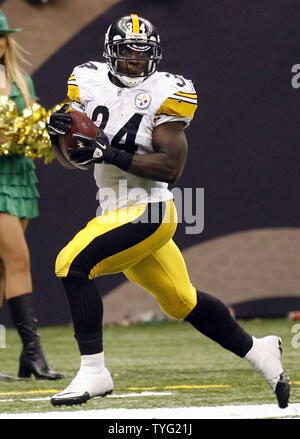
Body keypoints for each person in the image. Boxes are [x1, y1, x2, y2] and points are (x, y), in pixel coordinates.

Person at [46, 14, 290, 407]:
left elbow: (170, 168)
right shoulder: (86, 80)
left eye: (143, 54)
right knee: (180, 300)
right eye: (127, 52)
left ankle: (94, 372)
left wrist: (108, 151)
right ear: (111, 53)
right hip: (112, 207)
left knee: (70, 264)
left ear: (155, 56)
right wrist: (59, 136)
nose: (135, 61)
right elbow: (73, 160)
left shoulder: (167, 91)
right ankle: (260, 351)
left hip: (149, 209)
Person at [0, 10, 63, 380]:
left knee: (5, 270)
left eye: (2, 35)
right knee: (19, 263)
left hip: (20, 176)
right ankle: (34, 354)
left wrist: (38, 137)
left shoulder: (22, 80)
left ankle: (26, 359)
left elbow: (34, 129)